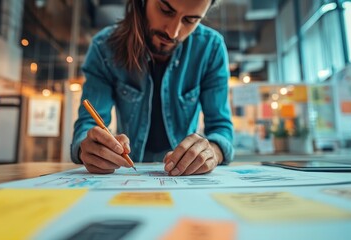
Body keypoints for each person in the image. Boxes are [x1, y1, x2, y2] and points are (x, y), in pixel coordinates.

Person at [71, 0, 234, 176]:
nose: (173, 32)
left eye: (190, 20)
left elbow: (221, 127)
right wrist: (87, 149)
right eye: (165, 10)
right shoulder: (104, 48)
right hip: (128, 173)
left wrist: (212, 152)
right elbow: (88, 125)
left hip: (185, 176)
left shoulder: (211, 48)